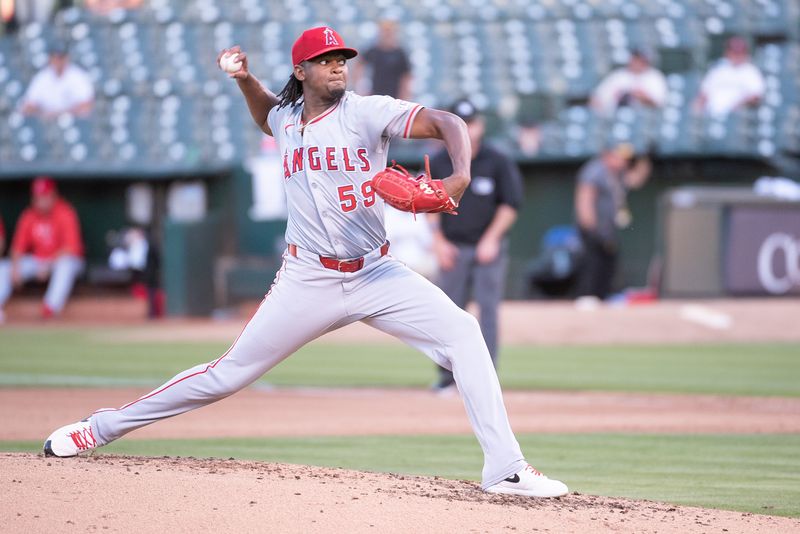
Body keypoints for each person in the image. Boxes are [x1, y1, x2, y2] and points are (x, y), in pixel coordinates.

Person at [42, 26, 568, 499]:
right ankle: (101, 427)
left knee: (464, 333)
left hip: (377, 272)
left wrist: (459, 176)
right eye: (326, 58)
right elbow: (266, 113)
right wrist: (245, 78)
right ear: (302, 70)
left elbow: (448, 121)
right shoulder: (286, 119)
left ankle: (504, 469)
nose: (338, 64)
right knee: (226, 376)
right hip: (307, 277)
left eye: (342, 57)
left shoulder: (367, 111)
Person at [428, 99, 524, 391]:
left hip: (487, 249)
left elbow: (510, 204)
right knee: (447, 312)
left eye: (470, 123)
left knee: (488, 311)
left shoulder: (497, 161)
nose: (467, 130)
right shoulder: (440, 160)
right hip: (453, 248)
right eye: (460, 123)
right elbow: (429, 203)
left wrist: (491, 238)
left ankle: (484, 379)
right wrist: (439, 241)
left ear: (480, 126)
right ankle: (447, 378)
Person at [573, 142, 651, 299]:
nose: (624, 162)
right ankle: (587, 297)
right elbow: (585, 198)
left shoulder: (618, 173)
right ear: (608, 155)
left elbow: (636, 180)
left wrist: (646, 160)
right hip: (593, 228)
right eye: (619, 157)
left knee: (608, 265)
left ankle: (602, 297)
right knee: (592, 264)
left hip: (608, 229)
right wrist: (589, 225)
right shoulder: (595, 170)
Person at [0, 177, 85, 319]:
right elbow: (17, 247)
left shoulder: (65, 212)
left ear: (53, 195)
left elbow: (72, 248)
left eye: (44, 196)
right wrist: (15, 266)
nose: (41, 201)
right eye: (38, 197)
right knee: (3, 267)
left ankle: (50, 308)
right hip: (38, 260)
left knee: (66, 264)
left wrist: (49, 263)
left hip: (62, 260)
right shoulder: (29, 215)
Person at [20, 40, 94, 119]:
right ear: (50, 58)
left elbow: (87, 104)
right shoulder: (42, 78)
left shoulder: (78, 76)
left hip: (72, 120)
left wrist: (60, 113)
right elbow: (28, 105)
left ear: (67, 57)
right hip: (46, 122)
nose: (59, 61)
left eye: (61, 57)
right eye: (56, 57)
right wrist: (43, 113)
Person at [694, 36, 765, 118]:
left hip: (737, 118)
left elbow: (756, 96)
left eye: (740, 52)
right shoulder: (718, 68)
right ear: (727, 52)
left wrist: (738, 105)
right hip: (712, 115)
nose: (737, 55)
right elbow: (704, 93)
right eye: (734, 51)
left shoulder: (751, 71)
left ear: (745, 53)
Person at [591, 48, 668, 116]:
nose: (636, 62)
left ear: (645, 61)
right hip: (615, 116)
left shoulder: (655, 77)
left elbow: (659, 103)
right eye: (635, 59)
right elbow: (596, 98)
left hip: (643, 117)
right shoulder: (619, 75)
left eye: (639, 60)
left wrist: (641, 96)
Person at [353, 20, 412, 100]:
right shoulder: (373, 51)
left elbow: (406, 77)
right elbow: (359, 66)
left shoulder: (400, 53)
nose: (387, 34)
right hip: (374, 94)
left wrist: (404, 96)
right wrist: (361, 86)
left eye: (389, 31)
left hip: (394, 96)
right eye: (384, 31)